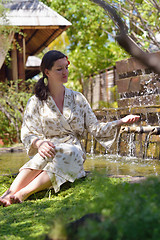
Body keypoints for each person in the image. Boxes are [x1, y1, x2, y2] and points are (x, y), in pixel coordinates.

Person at [0, 50, 140, 207]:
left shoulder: (78, 98)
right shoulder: (36, 101)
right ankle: (8, 194)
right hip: (48, 149)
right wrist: (39, 143)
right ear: (47, 72)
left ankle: (23, 194)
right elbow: (27, 133)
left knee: (69, 152)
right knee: (44, 155)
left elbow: (96, 129)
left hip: (72, 151)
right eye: (59, 69)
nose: (65, 72)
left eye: (66, 67)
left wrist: (120, 122)